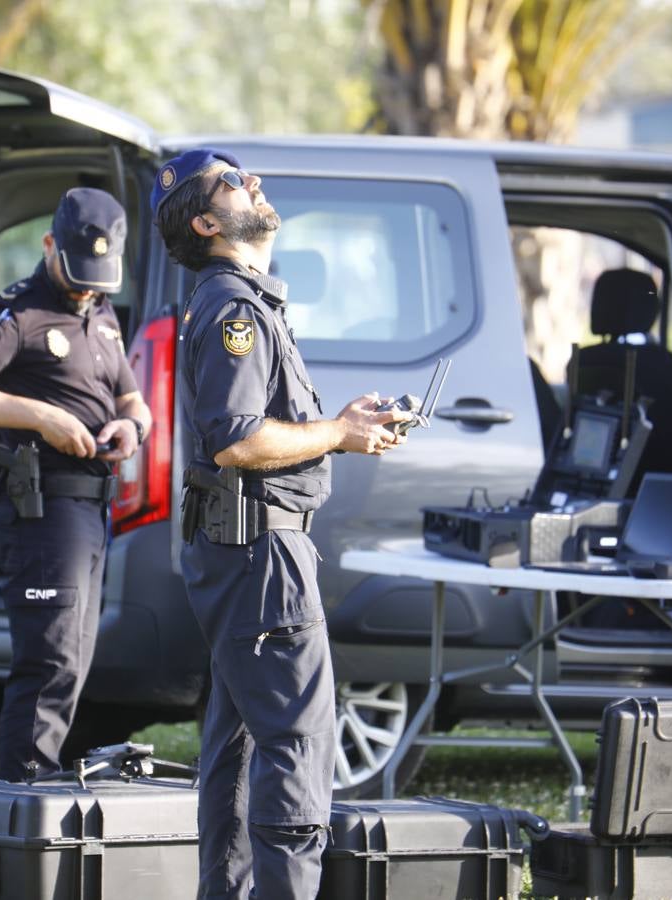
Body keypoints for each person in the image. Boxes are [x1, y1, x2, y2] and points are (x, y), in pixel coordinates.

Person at [152, 149, 412, 900]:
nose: (253, 182)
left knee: (235, 748)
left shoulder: (239, 300)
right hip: (262, 554)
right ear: (207, 222)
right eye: (232, 182)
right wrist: (337, 434)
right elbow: (237, 438)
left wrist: (344, 425)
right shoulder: (234, 309)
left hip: (245, 552)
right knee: (298, 745)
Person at [0, 187, 152, 782]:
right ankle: (23, 795)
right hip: (41, 505)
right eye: (77, 273)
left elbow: (130, 396)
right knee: (49, 657)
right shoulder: (14, 313)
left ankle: (39, 791)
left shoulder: (98, 310)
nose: (85, 288)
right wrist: (40, 416)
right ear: (50, 245)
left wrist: (132, 425)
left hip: (92, 508)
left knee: (72, 658)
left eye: (98, 278)